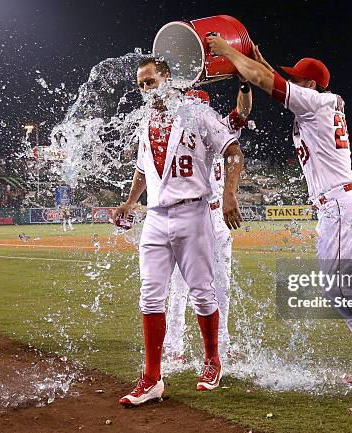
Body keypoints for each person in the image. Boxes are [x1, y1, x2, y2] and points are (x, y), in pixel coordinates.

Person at [208, 36, 352, 395]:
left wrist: (228, 52)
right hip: (337, 208)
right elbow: (269, 76)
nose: (292, 82)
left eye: (297, 79)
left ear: (310, 84)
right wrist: (254, 57)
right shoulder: (317, 103)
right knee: (340, 290)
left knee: (343, 290)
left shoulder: (315, 102)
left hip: (342, 207)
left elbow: (268, 82)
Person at [114, 57, 244, 407]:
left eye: (150, 81)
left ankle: (213, 361)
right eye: (140, 84)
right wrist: (129, 202)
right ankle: (153, 378)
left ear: (167, 78)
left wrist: (230, 194)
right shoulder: (145, 122)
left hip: (193, 211)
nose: (145, 88)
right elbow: (142, 169)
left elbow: (233, 151)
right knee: (150, 296)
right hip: (155, 217)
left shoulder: (195, 112)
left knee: (202, 292)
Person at [164, 83, 251, 363]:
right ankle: (173, 347)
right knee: (180, 284)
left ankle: (221, 346)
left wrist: (244, 83)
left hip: (216, 215)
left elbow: (242, 112)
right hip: (193, 212)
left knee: (222, 284)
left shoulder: (217, 125)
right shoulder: (174, 134)